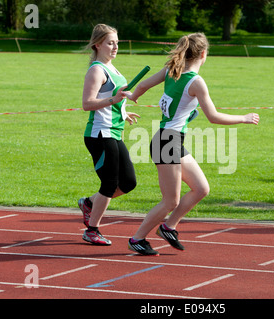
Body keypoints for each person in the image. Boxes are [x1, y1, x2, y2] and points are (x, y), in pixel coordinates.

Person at [125, 33, 260, 255]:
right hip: (167, 141)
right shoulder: (196, 81)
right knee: (170, 201)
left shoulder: (172, 70)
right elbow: (214, 117)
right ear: (204, 54)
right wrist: (243, 118)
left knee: (201, 188)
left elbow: (143, 86)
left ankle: (168, 227)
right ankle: (137, 238)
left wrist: (133, 96)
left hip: (170, 140)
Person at [78, 24, 140, 245]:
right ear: (98, 44)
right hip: (99, 134)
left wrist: (122, 112)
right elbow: (87, 104)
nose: (115, 47)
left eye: (117, 43)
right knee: (110, 182)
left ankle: (89, 203)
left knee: (128, 182)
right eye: (110, 43)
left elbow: (113, 99)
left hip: (114, 131)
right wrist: (114, 101)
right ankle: (92, 230)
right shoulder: (96, 70)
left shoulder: (114, 69)